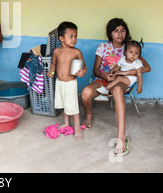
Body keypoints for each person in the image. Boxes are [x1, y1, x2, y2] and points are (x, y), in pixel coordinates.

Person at [81, 18, 151, 155]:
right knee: (85, 92)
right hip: (104, 79)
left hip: (121, 81)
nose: (120, 34)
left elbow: (147, 67)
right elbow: (95, 70)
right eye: (116, 31)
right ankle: (89, 115)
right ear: (110, 33)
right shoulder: (103, 47)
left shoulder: (131, 47)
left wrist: (127, 72)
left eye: (123, 30)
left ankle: (121, 136)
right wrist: (105, 77)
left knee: (117, 89)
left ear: (127, 32)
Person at [47, 21, 87, 140]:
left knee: (73, 106)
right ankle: (66, 122)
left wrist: (83, 72)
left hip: (70, 83)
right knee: (64, 103)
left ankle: (77, 127)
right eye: (70, 36)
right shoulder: (57, 51)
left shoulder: (76, 52)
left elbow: (83, 66)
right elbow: (54, 64)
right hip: (59, 82)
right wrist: (52, 71)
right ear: (61, 38)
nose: (74, 39)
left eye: (75, 36)